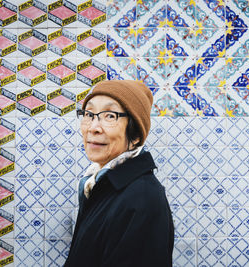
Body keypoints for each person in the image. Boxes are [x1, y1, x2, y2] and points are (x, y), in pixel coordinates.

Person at [64, 80, 174, 267]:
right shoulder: (100, 184)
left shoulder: (142, 199)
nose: (93, 128)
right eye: (89, 114)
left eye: (110, 116)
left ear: (136, 135)